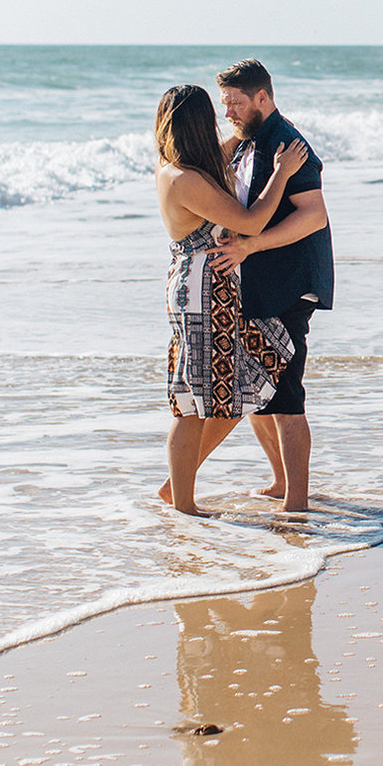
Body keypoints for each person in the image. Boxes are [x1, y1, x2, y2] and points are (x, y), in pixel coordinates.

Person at [152, 83, 308, 515]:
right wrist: (282, 171)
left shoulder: (177, 168)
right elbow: (252, 221)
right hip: (205, 294)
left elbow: (219, 158)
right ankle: (182, 503)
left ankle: (177, 490)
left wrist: (251, 130)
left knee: (245, 379)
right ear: (199, 124)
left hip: (204, 288)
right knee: (194, 404)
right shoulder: (187, 180)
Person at [205, 59, 334, 513]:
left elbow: (314, 215)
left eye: (236, 103)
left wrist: (250, 247)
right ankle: (282, 481)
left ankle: (296, 502)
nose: (230, 112)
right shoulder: (249, 140)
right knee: (260, 392)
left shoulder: (289, 145)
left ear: (263, 97)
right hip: (257, 282)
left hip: (290, 284)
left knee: (285, 395)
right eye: (225, 104)